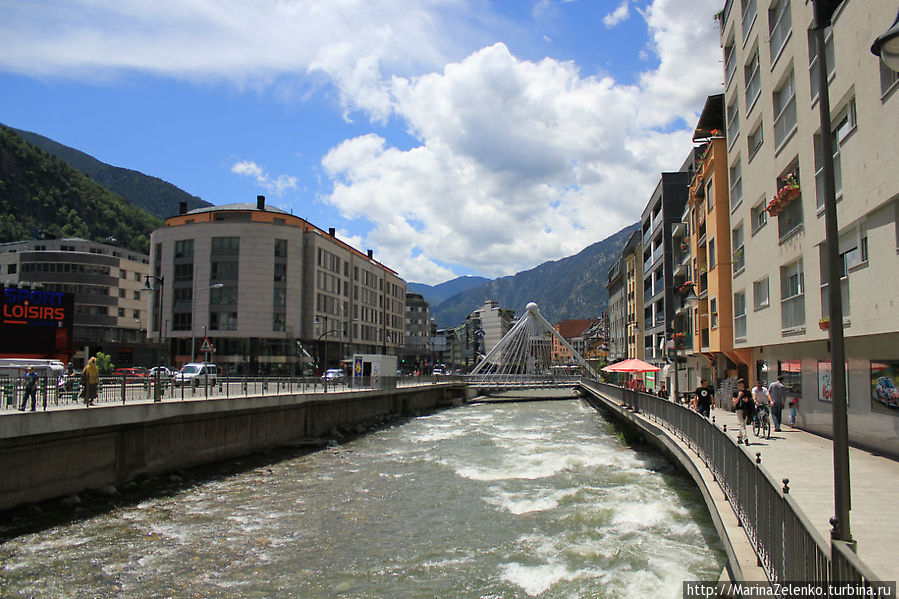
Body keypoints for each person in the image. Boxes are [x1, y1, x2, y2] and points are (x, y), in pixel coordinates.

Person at [732, 379, 754, 446]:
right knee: (742, 424)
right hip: (739, 409)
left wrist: (747, 400)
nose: (740, 386)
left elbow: (750, 399)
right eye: (739, 385)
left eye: (741, 384)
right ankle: (745, 438)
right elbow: (734, 403)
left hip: (746, 409)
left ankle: (739, 436)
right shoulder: (736, 392)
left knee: (743, 424)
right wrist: (739, 396)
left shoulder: (747, 392)